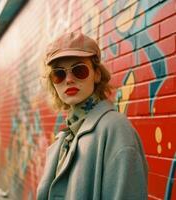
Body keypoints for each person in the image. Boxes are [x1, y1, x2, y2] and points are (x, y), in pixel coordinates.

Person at [36, 32, 148, 200]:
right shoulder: (66, 136)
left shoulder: (115, 129)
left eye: (79, 70)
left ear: (97, 74)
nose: (69, 79)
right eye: (58, 74)